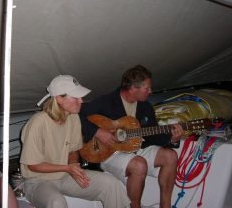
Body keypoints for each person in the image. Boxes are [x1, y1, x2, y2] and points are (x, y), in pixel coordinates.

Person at [79, 65, 185, 208]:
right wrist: (98, 132)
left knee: (170, 156)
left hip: (137, 148)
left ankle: (165, 204)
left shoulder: (145, 106)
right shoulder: (106, 102)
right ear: (133, 88)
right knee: (139, 164)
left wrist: (172, 139)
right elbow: (77, 116)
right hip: (108, 153)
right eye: (147, 88)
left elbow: (151, 136)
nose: (150, 91)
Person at [20, 75, 130, 208]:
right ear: (59, 98)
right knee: (56, 202)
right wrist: (67, 168)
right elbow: (33, 165)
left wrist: (73, 166)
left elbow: (73, 150)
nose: (81, 101)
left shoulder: (73, 117)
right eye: (76, 97)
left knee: (111, 184)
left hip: (64, 175)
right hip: (38, 181)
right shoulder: (38, 123)